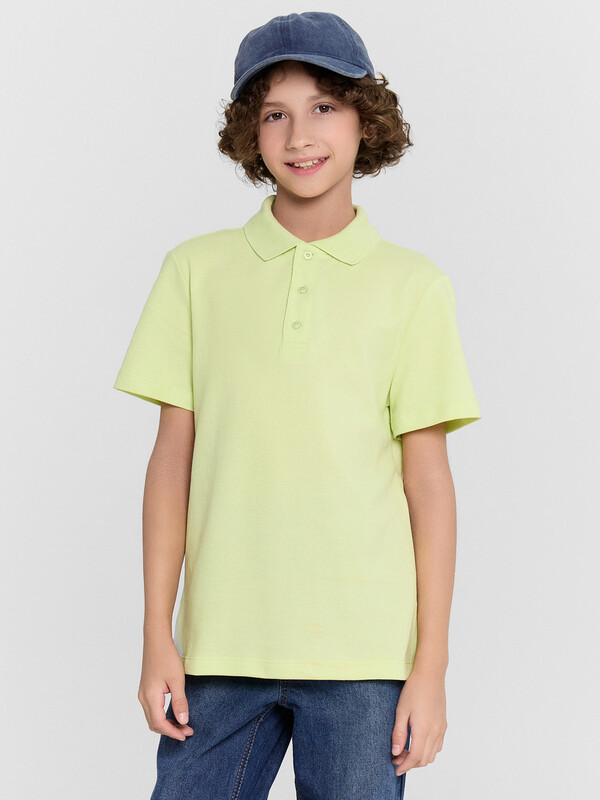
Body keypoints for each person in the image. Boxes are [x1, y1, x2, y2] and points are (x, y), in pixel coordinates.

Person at [113, 11, 481, 800]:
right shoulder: (195, 272)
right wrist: (155, 636)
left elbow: (429, 485)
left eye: (323, 106)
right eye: (274, 113)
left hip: (365, 660)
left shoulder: (414, 286)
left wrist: (432, 667)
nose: (300, 134)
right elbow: (171, 464)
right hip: (219, 649)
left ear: (364, 119)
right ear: (250, 131)